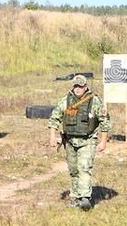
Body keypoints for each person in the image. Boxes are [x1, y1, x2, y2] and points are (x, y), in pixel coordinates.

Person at [48, 74, 112, 211]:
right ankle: (75, 197)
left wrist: (103, 142)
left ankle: (85, 197)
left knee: (84, 167)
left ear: (85, 87)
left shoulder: (94, 101)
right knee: (73, 170)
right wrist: (52, 136)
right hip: (70, 141)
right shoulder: (66, 101)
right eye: (76, 86)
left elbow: (104, 121)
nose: (77, 89)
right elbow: (55, 118)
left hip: (87, 140)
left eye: (80, 86)